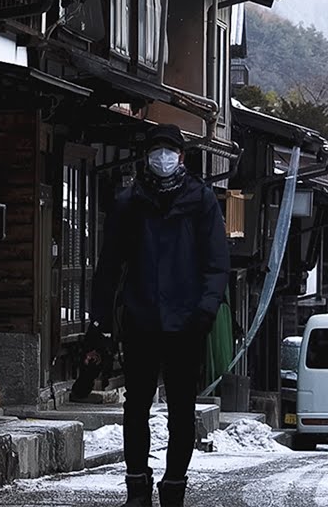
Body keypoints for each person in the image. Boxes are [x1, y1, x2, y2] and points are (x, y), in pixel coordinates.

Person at [86, 123, 230, 507]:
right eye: (156, 150)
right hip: (141, 317)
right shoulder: (130, 202)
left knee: (181, 411)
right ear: (146, 157)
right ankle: (137, 487)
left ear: (181, 157)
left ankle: (174, 487)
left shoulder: (201, 201)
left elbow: (217, 264)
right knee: (137, 407)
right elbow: (109, 265)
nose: (162, 158)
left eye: (169, 150)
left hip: (187, 321)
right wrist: (100, 319)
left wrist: (205, 311)